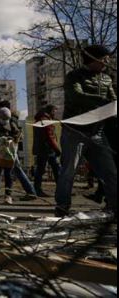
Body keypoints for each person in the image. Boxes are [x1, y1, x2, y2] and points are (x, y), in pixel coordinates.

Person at [55, 45, 116, 217]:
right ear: (93, 58)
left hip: (97, 132)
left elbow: (113, 100)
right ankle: (62, 207)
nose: (107, 61)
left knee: (110, 171)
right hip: (75, 131)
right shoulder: (74, 76)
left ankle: (114, 206)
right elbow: (76, 96)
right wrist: (104, 102)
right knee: (69, 171)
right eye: (104, 58)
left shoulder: (106, 79)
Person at [0, 100, 37, 199]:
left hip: (10, 149)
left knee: (16, 170)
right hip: (13, 148)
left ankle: (30, 192)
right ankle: (30, 191)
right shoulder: (13, 118)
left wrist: (9, 139)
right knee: (17, 170)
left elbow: (16, 133)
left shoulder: (10, 119)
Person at [0, 108, 20, 204]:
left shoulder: (12, 124)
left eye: (7, 119)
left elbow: (18, 136)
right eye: (3, 118)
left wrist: (12, 139)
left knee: (8, 175)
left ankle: (8, 195)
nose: (5, 121)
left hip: (9, 153)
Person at [33, 104, 61, 197]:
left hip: (43, 149)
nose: (55, 113)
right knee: (56, 169)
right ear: (51, 111)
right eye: (54, 111)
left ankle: (37, 190)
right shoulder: (45, 120)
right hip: (48, 149)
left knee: (40, 170)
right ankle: (62, 190)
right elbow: (50, 136)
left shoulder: (40, 119)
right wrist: (57, 149)